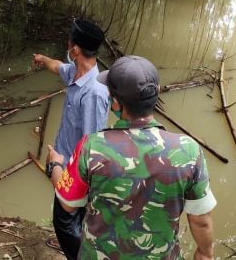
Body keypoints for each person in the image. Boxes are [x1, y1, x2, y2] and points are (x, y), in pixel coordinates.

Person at [46, 55, 216, 259]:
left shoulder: (91, 147)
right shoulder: (189, 151)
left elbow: (68, 203)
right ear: (157, 92)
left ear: (115, 103)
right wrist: (205, 254)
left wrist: (55, 165)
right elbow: (201, 220)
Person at [33, 19, 109, 259]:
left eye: (69, 41)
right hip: (62, 164)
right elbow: (57, 67)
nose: (67, 44)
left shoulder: (93, 92)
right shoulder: (76, 73)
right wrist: (43, 59)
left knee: (65, 223)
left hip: (75, 173)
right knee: (71, 222)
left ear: (75, 50)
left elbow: (92, 144)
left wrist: (64, 169)